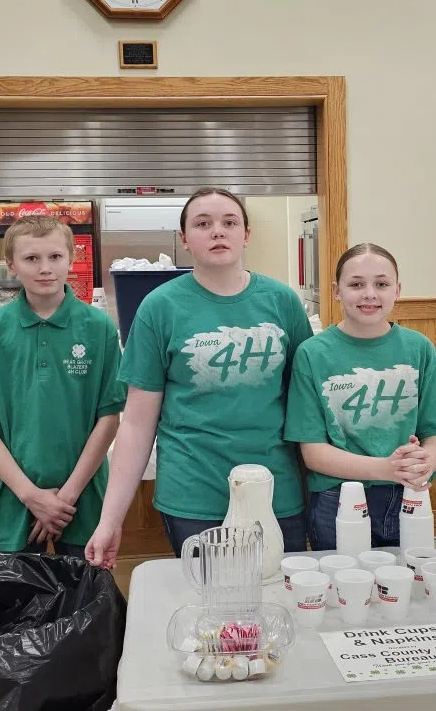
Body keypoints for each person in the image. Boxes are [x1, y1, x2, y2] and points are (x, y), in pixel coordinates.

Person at [85, 187, 313, 568]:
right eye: (203, 224)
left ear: (247, 234)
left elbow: (307, 405)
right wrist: (111, 519)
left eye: (229, 222)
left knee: (278, 604)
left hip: (276, 488)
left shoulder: (282, 301)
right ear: (185, 240)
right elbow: (138, 424)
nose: (217, 232)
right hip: (194, 493)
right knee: (211, 611)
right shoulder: (160, 307)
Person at [0, 215, 126, 558]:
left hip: (84, 496)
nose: (45, 268)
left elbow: (109, 419)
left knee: (85, 603)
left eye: (54, 257)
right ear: (12, 266)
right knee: (13, 604)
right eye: (31, 259)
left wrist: (64, 499)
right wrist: (32, 496)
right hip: (15, 497)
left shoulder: (99, 328)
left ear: (71, 259)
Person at [285, 243, 436, 550]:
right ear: (336, 291)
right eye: (356, 284)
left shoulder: (419, 348)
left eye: (381, 284)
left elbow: (435, 435)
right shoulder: (312, 354)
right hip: (338, 497)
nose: (369, 294)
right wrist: (386, 468)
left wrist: (424, 464)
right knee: (345, 588)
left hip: (408, 494)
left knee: (406, 585)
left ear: (397, 290)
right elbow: (313, 452)